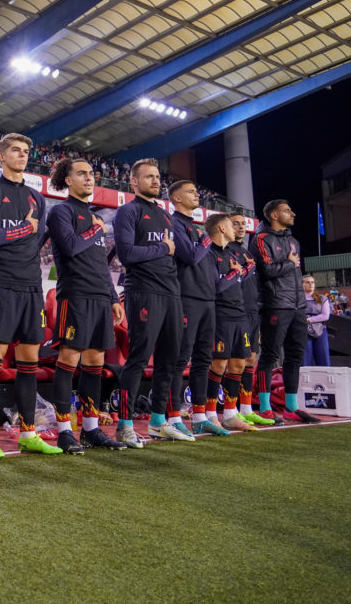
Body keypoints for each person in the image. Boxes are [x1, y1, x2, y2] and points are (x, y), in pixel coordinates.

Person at [0, 133, 62, 457]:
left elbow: (36, 245)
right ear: (1, 156)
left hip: (31, 287)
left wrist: (23, 235)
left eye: (26, 151)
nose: (22, 155)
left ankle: (28, 432)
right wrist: (23, 229)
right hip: (1, 284)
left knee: (29, 364)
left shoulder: (37, 198)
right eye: (15, 150)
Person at [46, 158, 127, 452]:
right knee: (69, 360)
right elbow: (70, 247)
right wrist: (95, 230)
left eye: (91, 174)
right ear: (67, 180)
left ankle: (91, 429)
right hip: (75, 294)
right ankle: (65, 430)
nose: (89, 178)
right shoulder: (60, 212)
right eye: (82, 174)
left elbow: (100, 265)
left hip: (99, 298)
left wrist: (113, 297)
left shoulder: (93, 217)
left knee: (94, 363)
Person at [111, 158, 185, 447]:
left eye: (157, 177)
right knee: (139, 359)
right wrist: (162, 248)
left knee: (170, 359)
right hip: (143, 291)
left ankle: (157, 422)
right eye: (149, 177)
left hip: (171, 293)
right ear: (134, 182)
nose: (156, 181)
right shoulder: (127, 212)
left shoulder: (166, 216)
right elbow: (127, 254)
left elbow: (172, 256)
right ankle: (125, 424)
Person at [198, 213, 270, 434]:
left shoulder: (233, 253)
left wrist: (244, 270)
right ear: (221, 228)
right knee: (218, 364)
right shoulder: (207, 254)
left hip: (240, 314)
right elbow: (215, 286)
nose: (237, 229)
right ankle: (210, 414)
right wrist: (235, 273)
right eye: (232, 225)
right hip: (221, 314)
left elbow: (235, 280)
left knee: (239, 363)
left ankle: (230, 413)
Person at [252, 200, 320, 423]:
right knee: (270, 356)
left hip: (298, 306)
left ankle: (291, 407)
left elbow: (293, 272)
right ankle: (264, 407)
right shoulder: (261, 239)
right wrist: (290, 264)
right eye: (287, 210)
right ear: (273, 215)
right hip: (275, 304)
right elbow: (268, 270)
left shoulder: (293, 241)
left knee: (295, 357)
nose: (293, 213)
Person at [165, 180, 214, 440]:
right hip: (186, 298)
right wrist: (207, 238)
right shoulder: (175, 224)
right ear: (176, 198)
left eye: (197, 190)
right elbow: (190, 256)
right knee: (179, 359)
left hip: (207, 300)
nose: (197, 194)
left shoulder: (195, 228)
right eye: (191, 191)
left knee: (203, 361)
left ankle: (199, 416)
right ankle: (173, 417)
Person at [228, 213, 281, 424]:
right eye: (236, 224)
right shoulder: (224, 251)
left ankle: (247, 408)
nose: (241, 228)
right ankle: (230, 410)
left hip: (253, 311)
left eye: (243, 224)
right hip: (236, 312)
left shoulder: (246, 252)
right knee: (236, 362)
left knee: (251, 359)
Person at [303, 275, 331, 367]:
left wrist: (308, 320)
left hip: (321, 330)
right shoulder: (297, 299)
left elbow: (325, 316)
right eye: (307, 282)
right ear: (301, 284)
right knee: (306, 361)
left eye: (312, 282)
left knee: (324, 359)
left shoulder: (322, 298)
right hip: (303, 331)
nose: (310, 284)